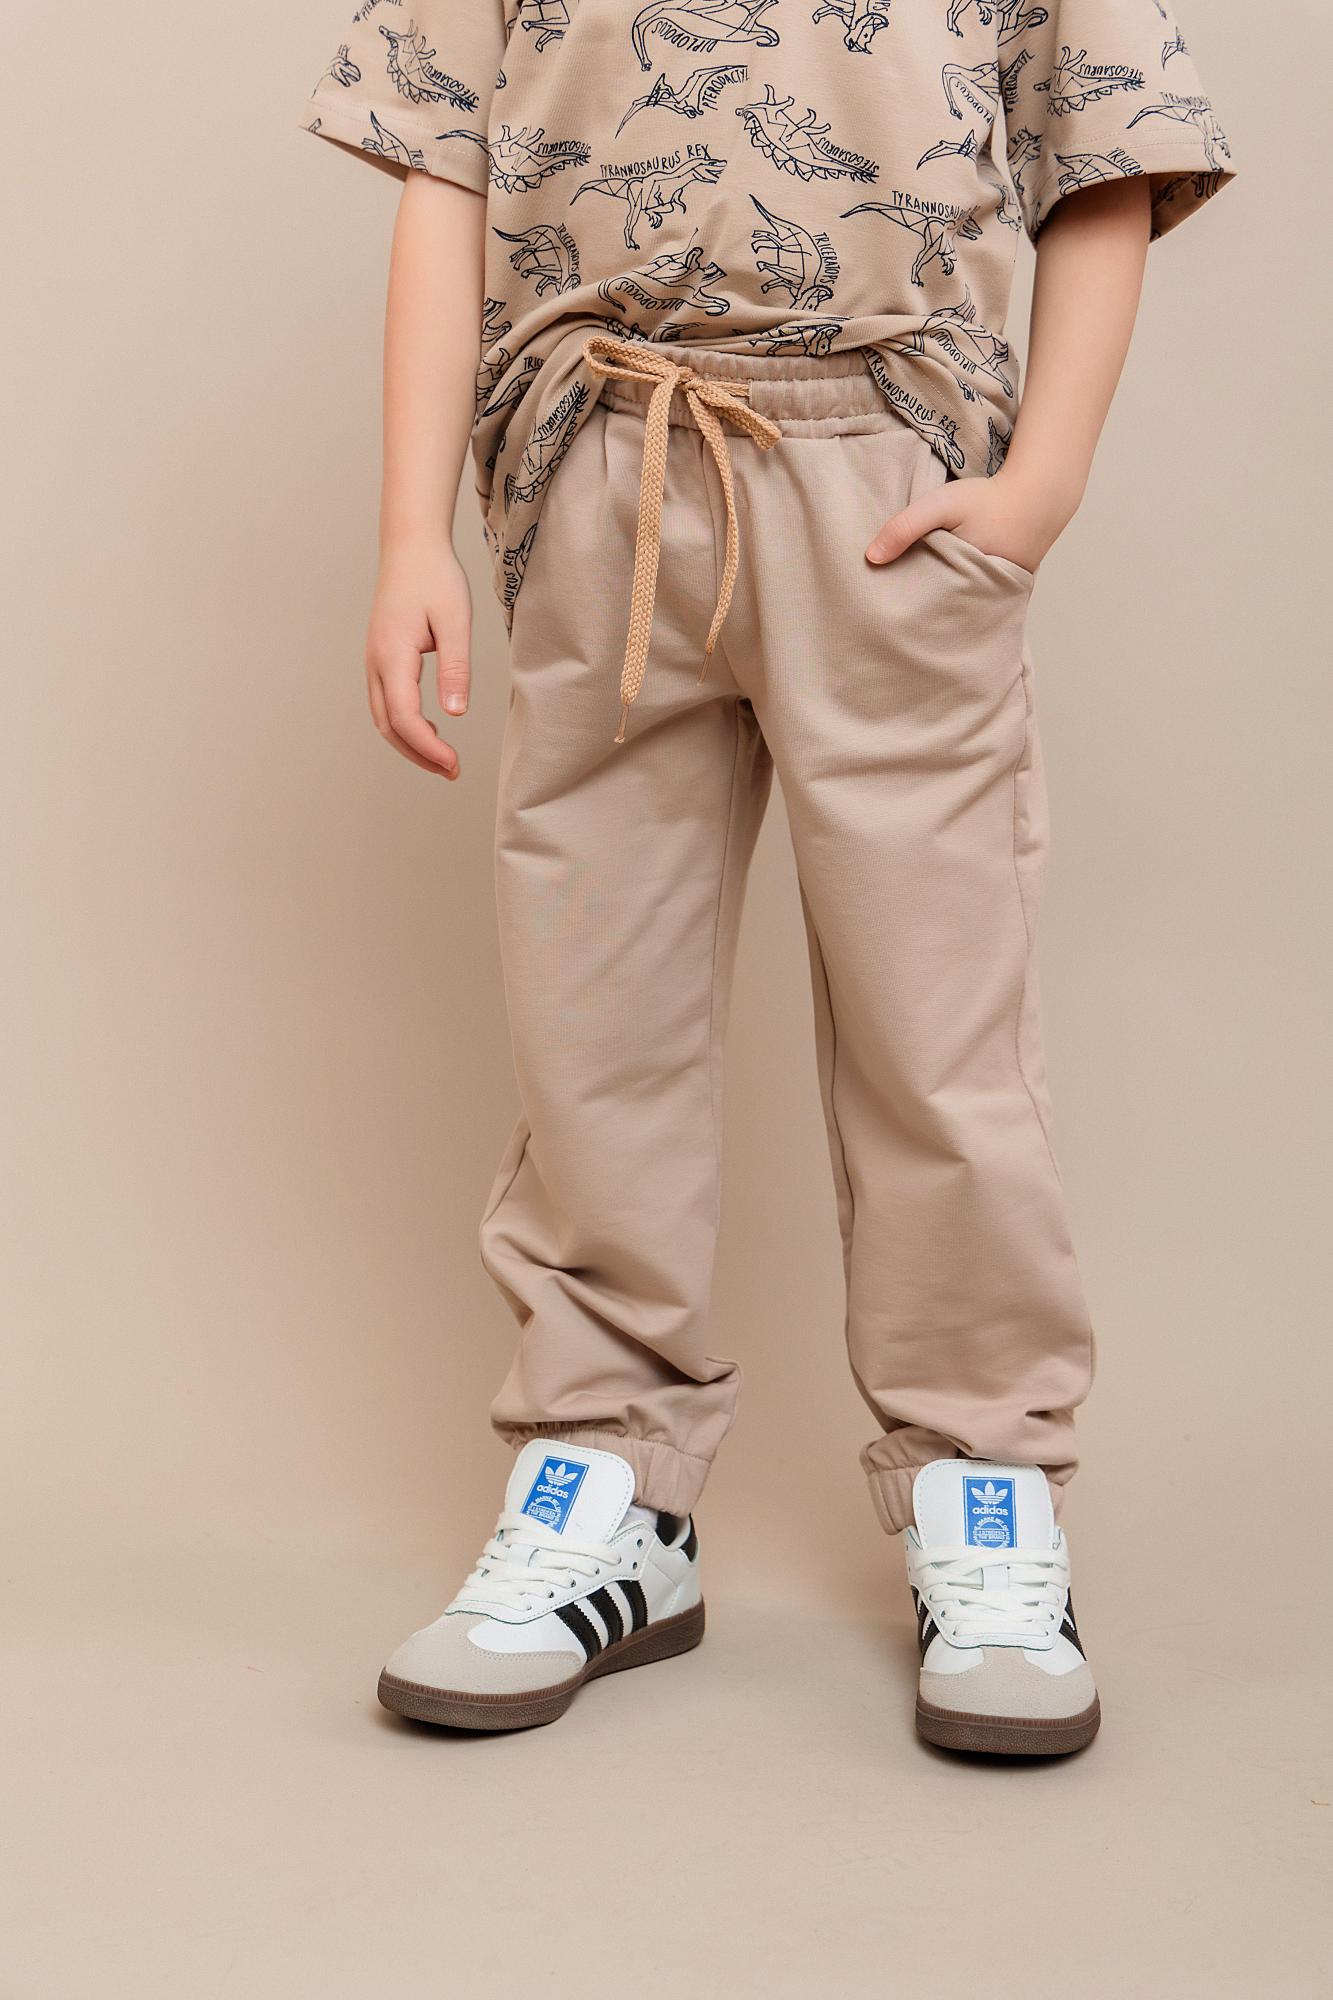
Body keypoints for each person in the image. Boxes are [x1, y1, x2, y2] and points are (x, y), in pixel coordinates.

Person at [299, 0, 1232, 1755]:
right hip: (599, 452)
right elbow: (444, 161)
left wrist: (1039, 487)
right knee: (593, 1017)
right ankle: (608, 1484)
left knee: (934, 1027)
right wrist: (410, 531)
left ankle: (982, 1483)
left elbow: (1110, 149)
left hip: (884, 469)